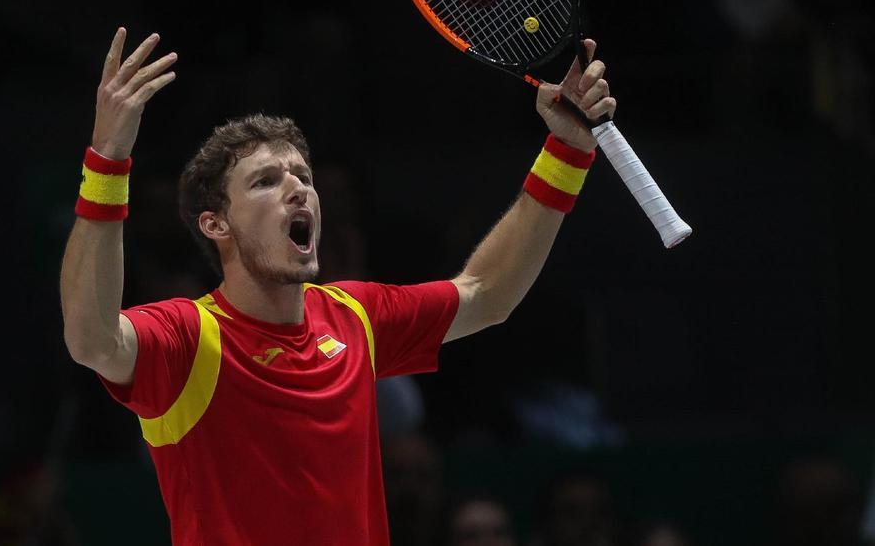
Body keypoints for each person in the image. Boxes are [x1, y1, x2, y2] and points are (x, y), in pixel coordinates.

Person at [59, 27, 616, 545]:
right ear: (216, 224)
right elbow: (91, 339)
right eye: (266, 181)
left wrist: (566, 153)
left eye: (303, 175)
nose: (298, 189)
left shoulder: (354, 316)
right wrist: (107, 160)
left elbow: (486, 294)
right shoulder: (186, 337)